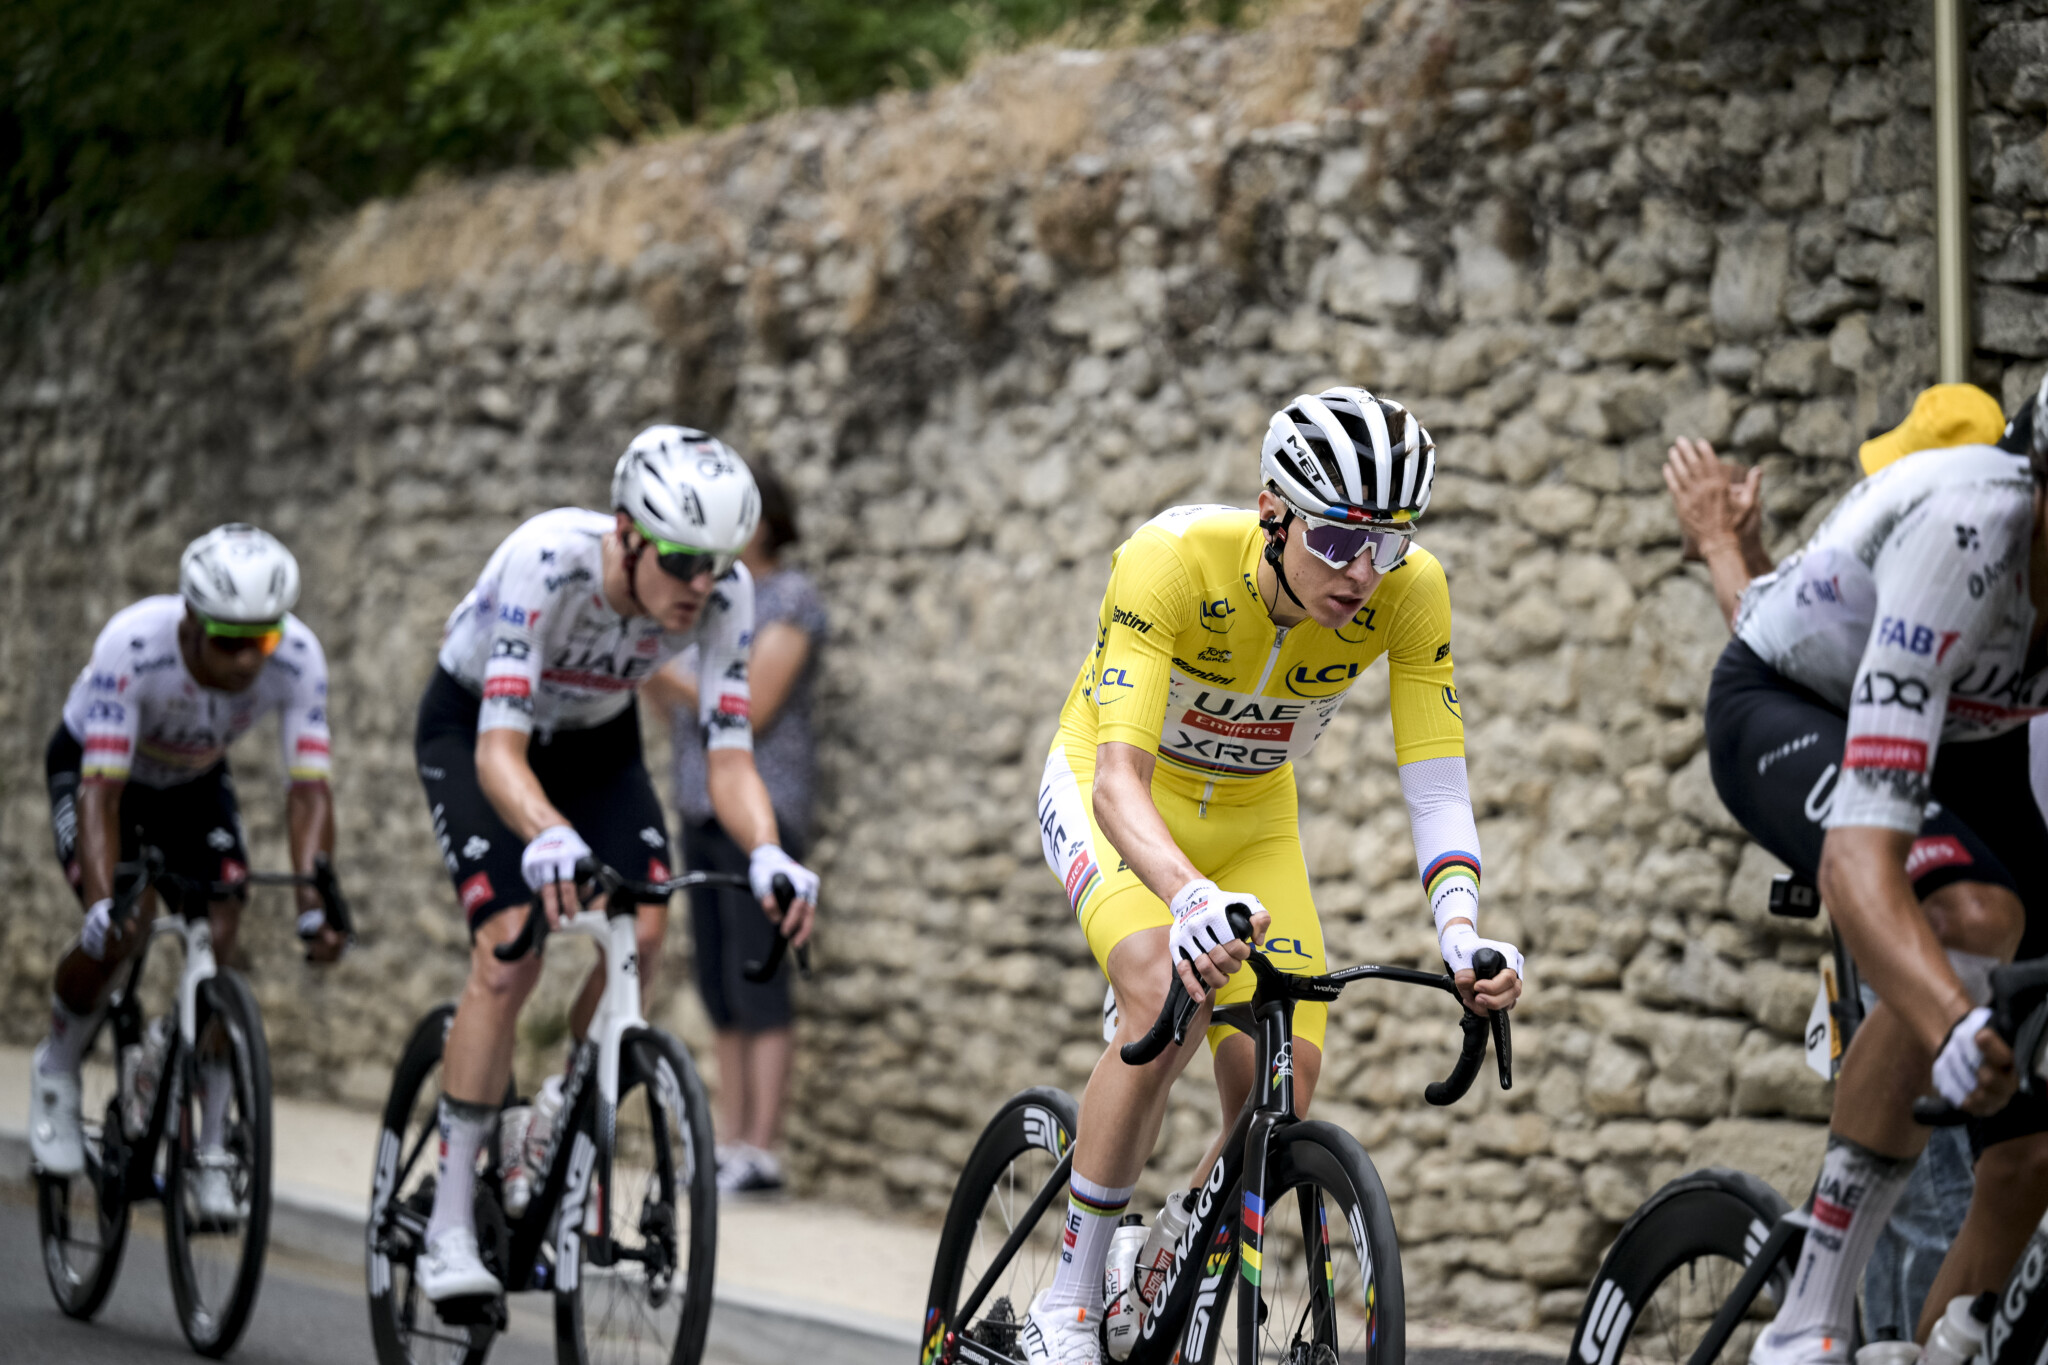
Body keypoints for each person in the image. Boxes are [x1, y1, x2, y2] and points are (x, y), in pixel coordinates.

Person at [1021, 387, 1524, 1363]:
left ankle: (1163, 1258)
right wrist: (1185, 898)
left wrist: (1461, 931)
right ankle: (1068, 1304)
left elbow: (1435, 782)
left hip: (1254, 823)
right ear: (1273, 513)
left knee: (1281, 1088)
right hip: (1118, 795)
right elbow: (1118, 781)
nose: (1362, 573)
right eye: (1336, 539)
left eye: (1388, 543)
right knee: (1159, 991)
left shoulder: (1410, 592)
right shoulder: (1171, 561)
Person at [409, 424, 821, 1306]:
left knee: (646, 924)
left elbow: (730, 756)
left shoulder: (726, 593)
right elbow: (499, 753)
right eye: (681, 561)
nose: (701, 584)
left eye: (716, 563)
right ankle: (446, 1219)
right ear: (626, 534)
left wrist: (768, 852)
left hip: (596, 739)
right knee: (508, 950)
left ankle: (558, 1109)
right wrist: (546, 831)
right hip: (479, 726)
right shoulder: (546, 561)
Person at [1701, 373, 2048, 1365]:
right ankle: (1805, 1320)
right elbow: (1861, 860)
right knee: (1972, 918)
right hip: (1794, 700)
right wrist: (1950, 1021)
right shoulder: (1964, 533)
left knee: (2027, 1157)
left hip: (1973, 734)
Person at [29, 523, 345, 1224]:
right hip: (101, 773)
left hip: (193, 780)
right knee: (125, 925)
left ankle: (209, 1148)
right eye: (230, 640)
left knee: (223, 923)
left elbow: (308, 790)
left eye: (262, 639)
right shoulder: (134, 646)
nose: (248, 659)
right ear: (192, 622)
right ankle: (55, 1069)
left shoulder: (297, 657)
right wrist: (102, 903)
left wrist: (315, 899)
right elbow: (100, 793)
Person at [643, 464, 827, 1195]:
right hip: (698, 803)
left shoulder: (790, 599)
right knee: (719, 981)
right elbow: (679, 712)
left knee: (760, 974)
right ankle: (729, 1140)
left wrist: (654, 663)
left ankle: (763, 1147)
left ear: (764, 520)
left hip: (763, 814)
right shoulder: (709, 598)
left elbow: (754, 705)